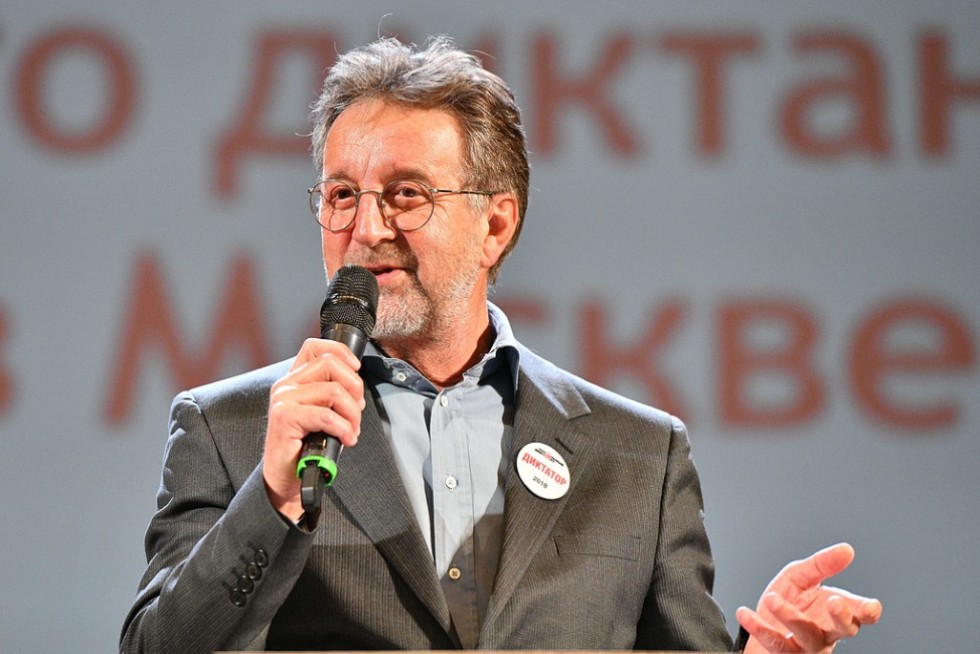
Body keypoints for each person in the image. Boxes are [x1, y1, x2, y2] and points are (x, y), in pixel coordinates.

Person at [121, 36, 881, 653]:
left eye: (407, 194)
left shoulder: (639, 458)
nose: (366, 228)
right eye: (343, 194)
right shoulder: (232, 431)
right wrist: (274, 498)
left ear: (495, 224)